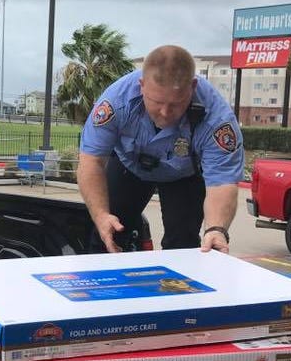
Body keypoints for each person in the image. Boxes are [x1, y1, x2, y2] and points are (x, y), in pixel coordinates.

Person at [77, 45, 244, 255]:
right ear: (142, 85)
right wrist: (101, 215)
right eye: (156, 102)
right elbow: (91, 162)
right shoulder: (115, 103)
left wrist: (216, 229)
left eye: (176, 104)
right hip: (129, 166)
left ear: (192, 87)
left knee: (184, 245)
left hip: (185, 174)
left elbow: (222, 182)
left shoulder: (217, 121)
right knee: (108, 234)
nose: (165, 113)